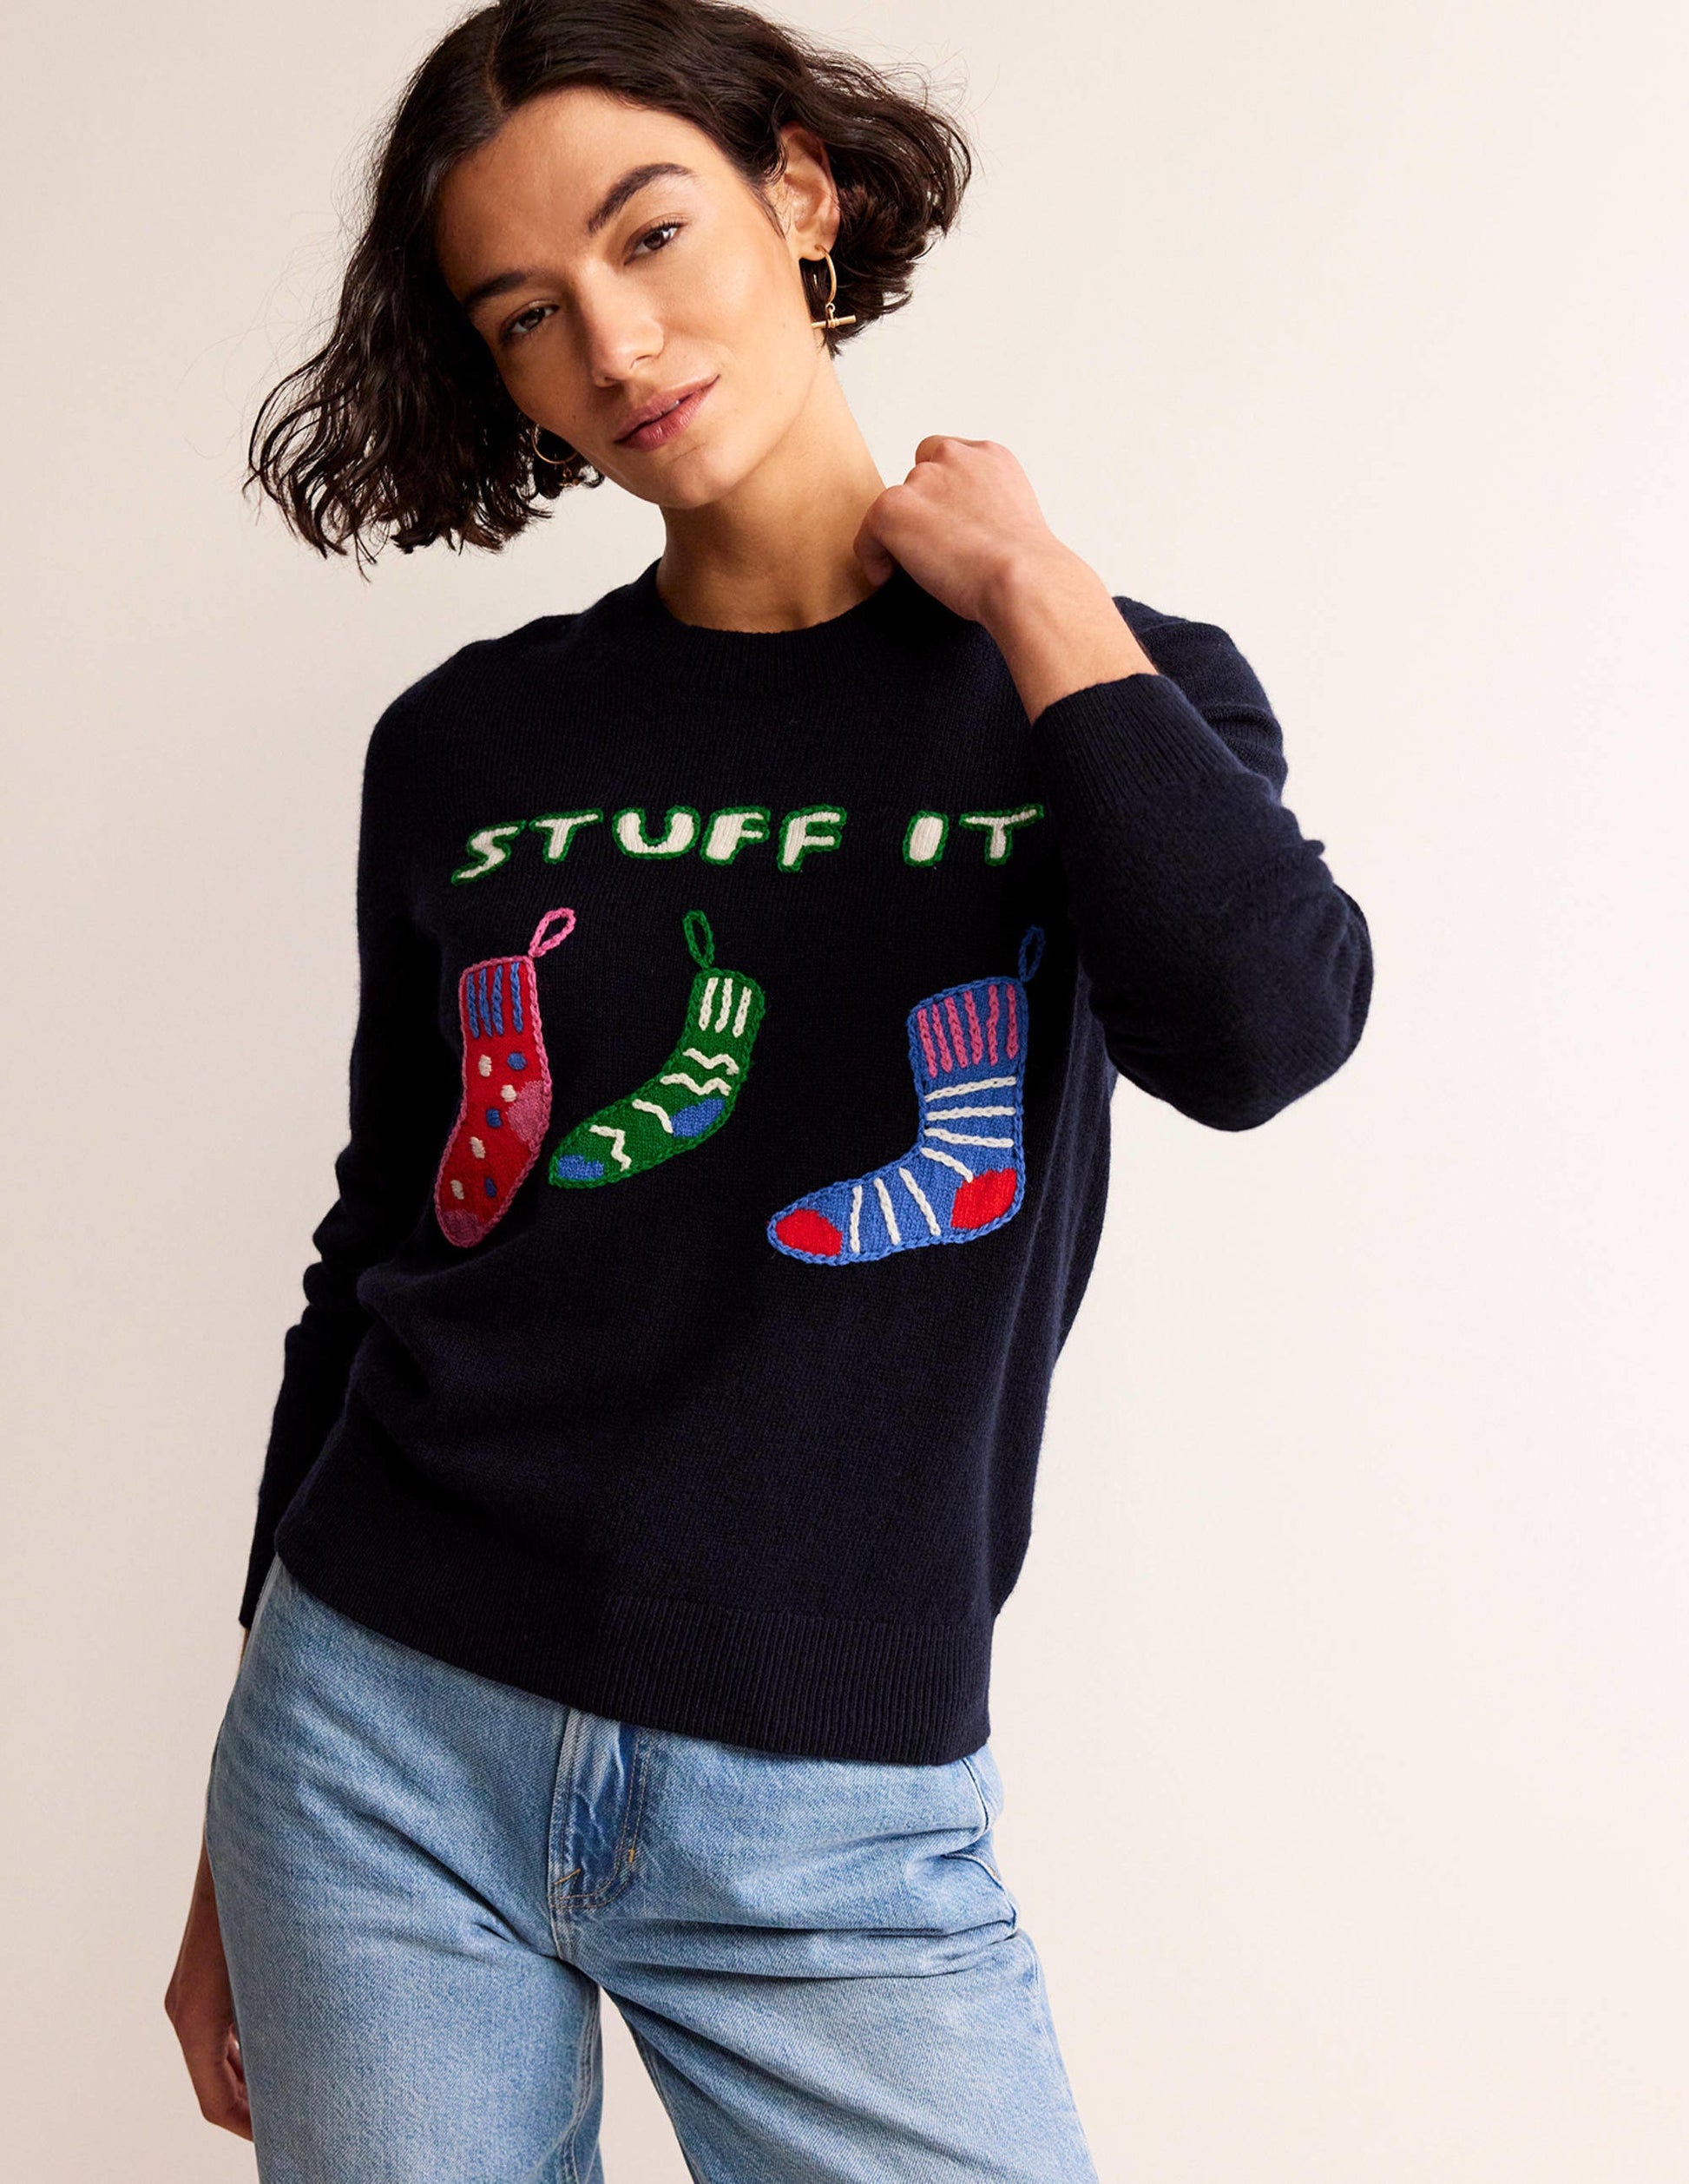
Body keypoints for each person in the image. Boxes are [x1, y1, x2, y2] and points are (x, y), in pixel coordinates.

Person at [164, 1, 1373, 2175]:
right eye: (525, 315)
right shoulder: (468, 743)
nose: (613, 346)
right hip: (370, 1739)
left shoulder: (1102, 685)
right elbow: (377, 1251)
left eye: (650, 236)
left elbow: (1263, 1033)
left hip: (829, 1807)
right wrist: (228, 1829)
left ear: (797, 192)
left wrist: (1032, 591)